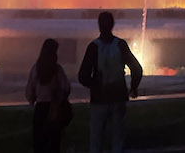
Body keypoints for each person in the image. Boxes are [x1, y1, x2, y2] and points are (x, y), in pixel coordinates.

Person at [78, 10, 143, 153]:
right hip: (118, 98)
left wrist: (94, 85)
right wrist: (133, 87)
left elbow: (82, 76)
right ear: (113, 25)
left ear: (99, 25)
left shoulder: (93, 47)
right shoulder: (120, 45)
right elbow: (136, 68)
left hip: (99, 100)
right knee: (117, 139)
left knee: (96, 139)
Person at [25, 38, 71, 153]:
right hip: (54, 109)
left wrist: (33, 102)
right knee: (54, 143)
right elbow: (66, 88)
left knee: (39, 143)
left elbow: (29, 92)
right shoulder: (57, 70)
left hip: (40, 109)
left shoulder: (36, 69)